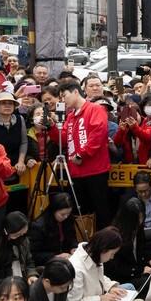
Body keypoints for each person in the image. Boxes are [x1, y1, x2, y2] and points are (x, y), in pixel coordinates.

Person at [50, 78, 113, 226]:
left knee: (101, 209)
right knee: (81, 211)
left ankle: (105, 243)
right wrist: (52, 127)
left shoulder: (95, 109)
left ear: (76, 92)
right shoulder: (71, 116)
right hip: (76, 171)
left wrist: (81, 154)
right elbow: (64, 138)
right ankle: (84, 242)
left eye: (64, 96)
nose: (63, 100)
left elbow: (98, 133)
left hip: (95, 170)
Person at [67, 227, 144, 301]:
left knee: (129, 287)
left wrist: (111, 287)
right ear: (103, 249)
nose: (112, 257)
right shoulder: (76, 268)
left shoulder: (94, 254)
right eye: (112, 254)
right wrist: (100, 299)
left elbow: (100, 278)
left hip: (97, 300)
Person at [0, 211, 37, 298]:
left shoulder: (24, 241)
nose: (21, 237)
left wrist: (31, 274)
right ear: (7, 232)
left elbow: (29, 261)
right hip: (3, 292)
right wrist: (10, 283)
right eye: (17, 235)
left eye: (23, 234)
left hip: (22, 284)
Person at [108, 196, 151, 287]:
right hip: (124, 276)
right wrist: (140, 270)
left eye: (142, 217)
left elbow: (142, 248)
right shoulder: (116, 235)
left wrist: (149, 259)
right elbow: (116, 267)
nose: (141, 221)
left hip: (138, 267)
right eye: (137, 218)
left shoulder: (137, 227)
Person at [0, 89, 33, 178]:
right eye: (3, 103)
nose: (7, 106)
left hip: (17, 165)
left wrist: (21, 161)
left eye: (10, 103)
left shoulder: (20, 119)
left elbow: (24, 142)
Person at [30, 192, 78, 265]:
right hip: (48, 263)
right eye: (62, 214)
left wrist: (73, 247)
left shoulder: (68, 220)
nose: (66, 217)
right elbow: (34, 254)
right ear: (54, 210)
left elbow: (72, 237)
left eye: (68, 213)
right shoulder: (38, 226)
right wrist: (55, 256)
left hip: (67, 259)